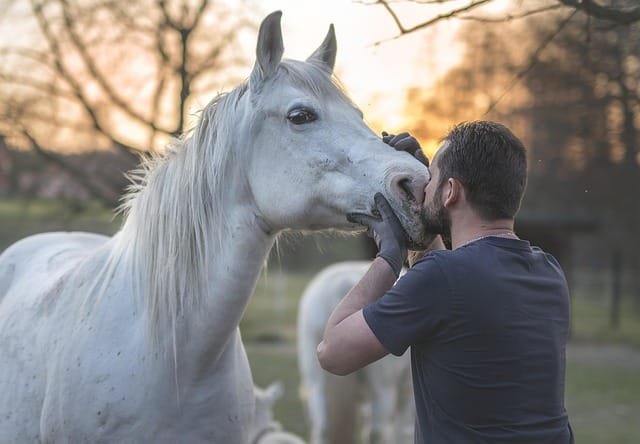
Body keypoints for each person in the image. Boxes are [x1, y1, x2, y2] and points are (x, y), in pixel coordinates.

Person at [317, 121, 573, 443]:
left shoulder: (442, 279)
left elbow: (332, 352)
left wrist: (388, 258)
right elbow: (451, 283)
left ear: (451, 192)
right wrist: (425, 204)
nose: (425, 188)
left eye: (432, 180)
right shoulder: (549, 272)